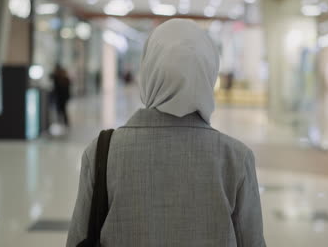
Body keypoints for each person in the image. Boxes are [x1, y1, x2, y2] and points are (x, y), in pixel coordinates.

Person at [67, 19, 266, 247]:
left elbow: (77, 240)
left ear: (148, 70)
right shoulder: (236, 158)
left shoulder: (103, 153)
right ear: (209, 73)